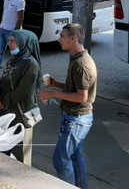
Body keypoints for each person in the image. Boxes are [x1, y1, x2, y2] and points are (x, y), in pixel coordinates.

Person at [38, 23, 97, 189]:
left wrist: (53, 93)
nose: (59, 40)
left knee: (61, 160)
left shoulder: (81, 64)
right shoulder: (78, 59)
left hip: (76, 120)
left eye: (62, 36)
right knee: (76, 158)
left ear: (73, 38)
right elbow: (76, 89)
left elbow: (83, 97)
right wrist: (56, 84)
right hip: (77, 119)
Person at [0, 29, 41, 165]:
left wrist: (4, 101)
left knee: (21, 149)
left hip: (21, 112)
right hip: (6, 108)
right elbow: (2, 80)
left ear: (23, 43)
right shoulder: (13, 60)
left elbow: (22, 90)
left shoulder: (30, 64)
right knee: (3, 144)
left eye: (12, 41)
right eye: (9, 40)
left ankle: (23, 176)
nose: (9, 44)